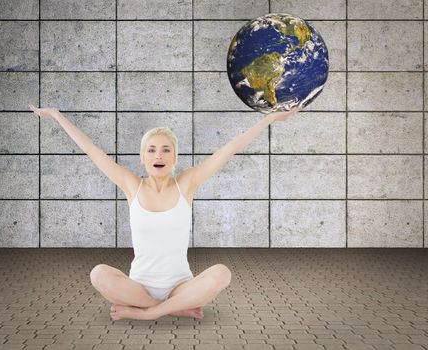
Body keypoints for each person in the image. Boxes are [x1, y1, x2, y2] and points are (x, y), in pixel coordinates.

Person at [28, 103, 301, 321]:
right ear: (143, 157)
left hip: (181, 287)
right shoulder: (131, 185)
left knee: (222, 273)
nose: (158, 155)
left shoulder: (187, 183)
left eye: (165, 150)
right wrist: (56, 115)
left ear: (175, 158)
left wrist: (269, 119)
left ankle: (149, 312)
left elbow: (229, 149)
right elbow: (92, 151)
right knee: (98, 273)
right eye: (152, 150)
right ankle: (172, 309)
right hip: (139, 287)